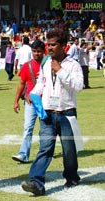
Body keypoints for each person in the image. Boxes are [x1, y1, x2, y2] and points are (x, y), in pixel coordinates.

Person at [21, 29, 83, 196]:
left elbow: (78, 87)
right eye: (48, 44)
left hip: (66, 113)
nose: (49, 48)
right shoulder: (46, 64)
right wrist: (33, 93)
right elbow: (42, 82)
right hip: (48, 113)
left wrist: (61, 71)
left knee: (69, 150)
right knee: (45, 148)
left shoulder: (73, 65)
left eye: (53, 45)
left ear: (64, 46)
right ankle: (36, 182)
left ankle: (72, 177)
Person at [12, 39, 45, 163]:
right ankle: (23, 154)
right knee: (27, 128)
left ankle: (46, 154)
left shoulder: (48, 64)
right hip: (30, 102)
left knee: (45, 130)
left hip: (45, 102)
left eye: (39, 51)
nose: (36, 54)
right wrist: (16, 101)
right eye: (34, 51)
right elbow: (21, 84)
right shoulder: (27, 66)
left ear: (43, 52)